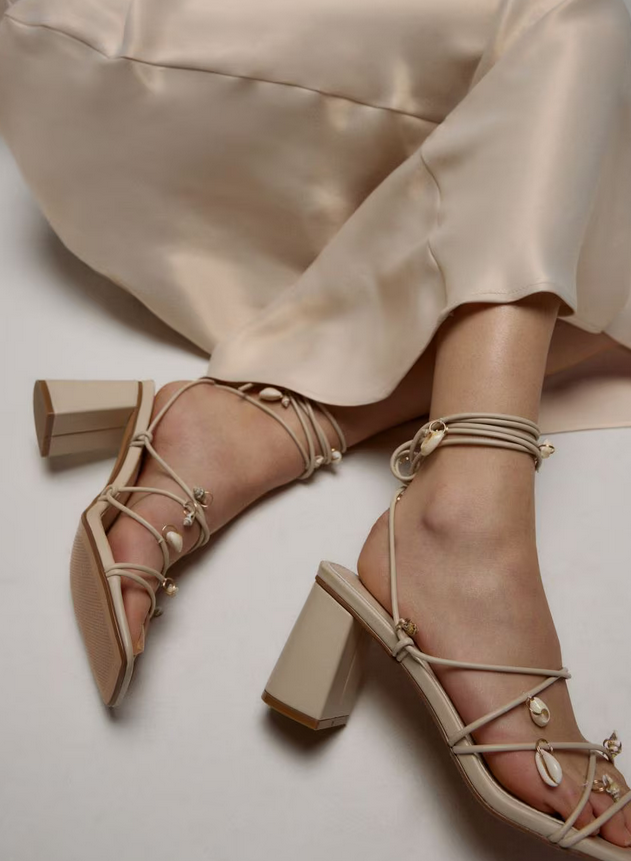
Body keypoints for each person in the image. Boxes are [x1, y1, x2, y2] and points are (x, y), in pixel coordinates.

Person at [1, 0, 631, 855]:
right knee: (585, 30)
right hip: (143, 48)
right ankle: (467, 513)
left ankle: (277, 413)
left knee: (592, 108)